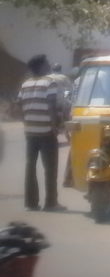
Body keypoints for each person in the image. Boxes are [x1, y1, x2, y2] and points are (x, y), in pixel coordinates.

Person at [15, 55, 65, 212]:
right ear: (41, 67)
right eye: (46, 63)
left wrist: (26, 122)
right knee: (50, 168)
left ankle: (31, 203)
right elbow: (51, 106)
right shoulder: (50, 83)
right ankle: (51, 203)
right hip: (46, 131)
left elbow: (19, 107)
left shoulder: (25, 85)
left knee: (30, 166)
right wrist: (54, 125)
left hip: (30, 131)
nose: (49, 64)